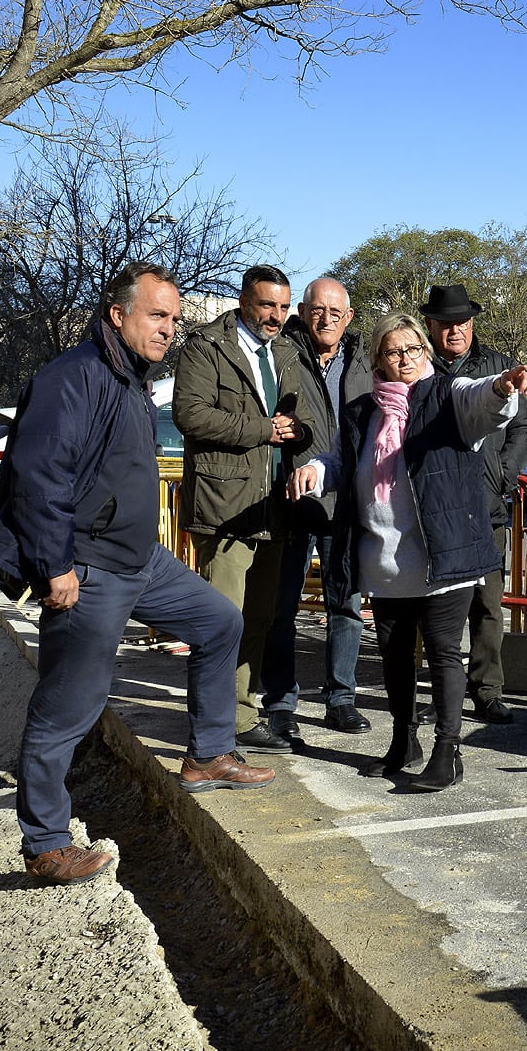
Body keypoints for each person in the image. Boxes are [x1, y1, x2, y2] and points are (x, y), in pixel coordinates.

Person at [0, 262, 276, 886]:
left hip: (142, 561)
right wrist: (55, 566)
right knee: (68, 706)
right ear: (119, 316)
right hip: (90, 568)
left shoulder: (132, 378)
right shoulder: (73, 378)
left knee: (220, 621)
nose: (169, 328)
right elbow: (40, 481)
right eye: (157, 316)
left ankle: (208, 755)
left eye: (174, 317)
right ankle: (47, 842)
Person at [289, 313, 527, 792]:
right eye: (392, 352)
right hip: (384, 560)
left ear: (425, 351)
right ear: (377, 359)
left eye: (412, 350)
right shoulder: (363, 411)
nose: (403, 360)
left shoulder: (447, 396)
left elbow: (480, 399)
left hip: (442, 557)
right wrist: (315, 472)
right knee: (396, 657)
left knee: (444, 654)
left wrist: (503, 387)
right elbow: (341, 459)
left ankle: (448, 750)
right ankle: (404, 742)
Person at [173, 264, 315, 754]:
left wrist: (300, 432)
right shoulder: (205, 346)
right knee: (220, 622)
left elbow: (304, 418)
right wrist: (263, 430)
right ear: (243, 301)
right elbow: (190, 415)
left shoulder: (288, 352)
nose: (275, 316)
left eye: (282, 306)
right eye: (266, 305)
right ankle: (209, 733)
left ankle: (239, 717)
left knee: (258, 619)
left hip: (275, 506)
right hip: (225, 508)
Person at [420, 283, 527, 725]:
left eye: (463, 323)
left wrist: (503, 475)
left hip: (485, 506)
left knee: (489, 605)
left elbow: (524, 430)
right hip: (432, 508)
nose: (456, 331)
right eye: (447, 324)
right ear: (431, 325)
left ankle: (487, 691)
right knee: (437, 608)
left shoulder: (498, 366)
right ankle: (441, 692)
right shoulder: (417, 365)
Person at [260, 277, 372, 742]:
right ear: (303, 312)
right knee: (280, 607)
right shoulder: (281, 354)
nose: (326, 319)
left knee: (344, 604)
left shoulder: (365, 360)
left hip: (345, 500)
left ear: (348, 318)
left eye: (336, 312)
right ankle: (281, 703)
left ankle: (341, 698)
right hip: (289, 499)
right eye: (317, 310)